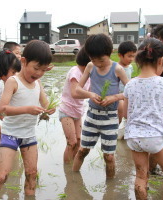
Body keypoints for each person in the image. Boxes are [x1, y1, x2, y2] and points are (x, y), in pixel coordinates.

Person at [0, 40, 55, 199]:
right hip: (10, 134)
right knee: (2, 176)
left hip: (29, 135)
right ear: (23, 61)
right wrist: (27, 109)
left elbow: (46, 105)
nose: (38, 73)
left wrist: (50, 109)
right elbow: (1, 109)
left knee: (32, 173)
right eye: (36, 68)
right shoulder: (13, 81)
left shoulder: (38, 83)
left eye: (43, 70)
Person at [123, 38, 163, 200]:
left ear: (138, 60)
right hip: (156, 136)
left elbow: (126, 114)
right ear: (161, 60)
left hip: (134, 137)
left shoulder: (130, 85)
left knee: (141, 176)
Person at [72, 33, 129, 179]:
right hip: (92, 115)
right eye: (93, 59)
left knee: (109, 156)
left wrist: (114, 97)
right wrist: (91, 94)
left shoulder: (117, 69)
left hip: (110, 117)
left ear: (110, 54)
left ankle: (109, 187)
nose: (97, 63)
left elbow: (131, 91)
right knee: (82, 150)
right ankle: (72, 180)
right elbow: (78, 89)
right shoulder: (90, 67)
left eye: (101, 60)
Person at [59, 46, 90, 164]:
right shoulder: (75, 72)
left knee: (78, 140)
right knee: (71, 142)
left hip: (78, 111)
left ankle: (73, 167)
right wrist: (92, 95)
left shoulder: (88, 74)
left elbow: (92, 89)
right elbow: (74, 93)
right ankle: (67, 170)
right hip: (67, 111)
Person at [117, 41, 137, 124]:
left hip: (127, 94)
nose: (131, 59)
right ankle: (118, 124)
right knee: (120, 108)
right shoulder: (116, 67)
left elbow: (129, 78)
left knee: (130, 110)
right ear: (120, 55)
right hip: (118, 94)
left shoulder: (130, 67)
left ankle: (126, 126)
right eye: (129, 56)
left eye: (133, 56)